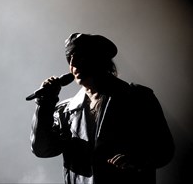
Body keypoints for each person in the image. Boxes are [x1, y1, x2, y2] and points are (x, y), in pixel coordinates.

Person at [30, 33, 175, 184]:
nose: (73, 63)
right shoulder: (65, 111)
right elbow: (42, 149)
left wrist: (138, 159)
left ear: (99, 59)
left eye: (80, 56)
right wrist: (45, 104)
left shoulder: (137, 97)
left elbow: (164, 149)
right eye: (70, 58)